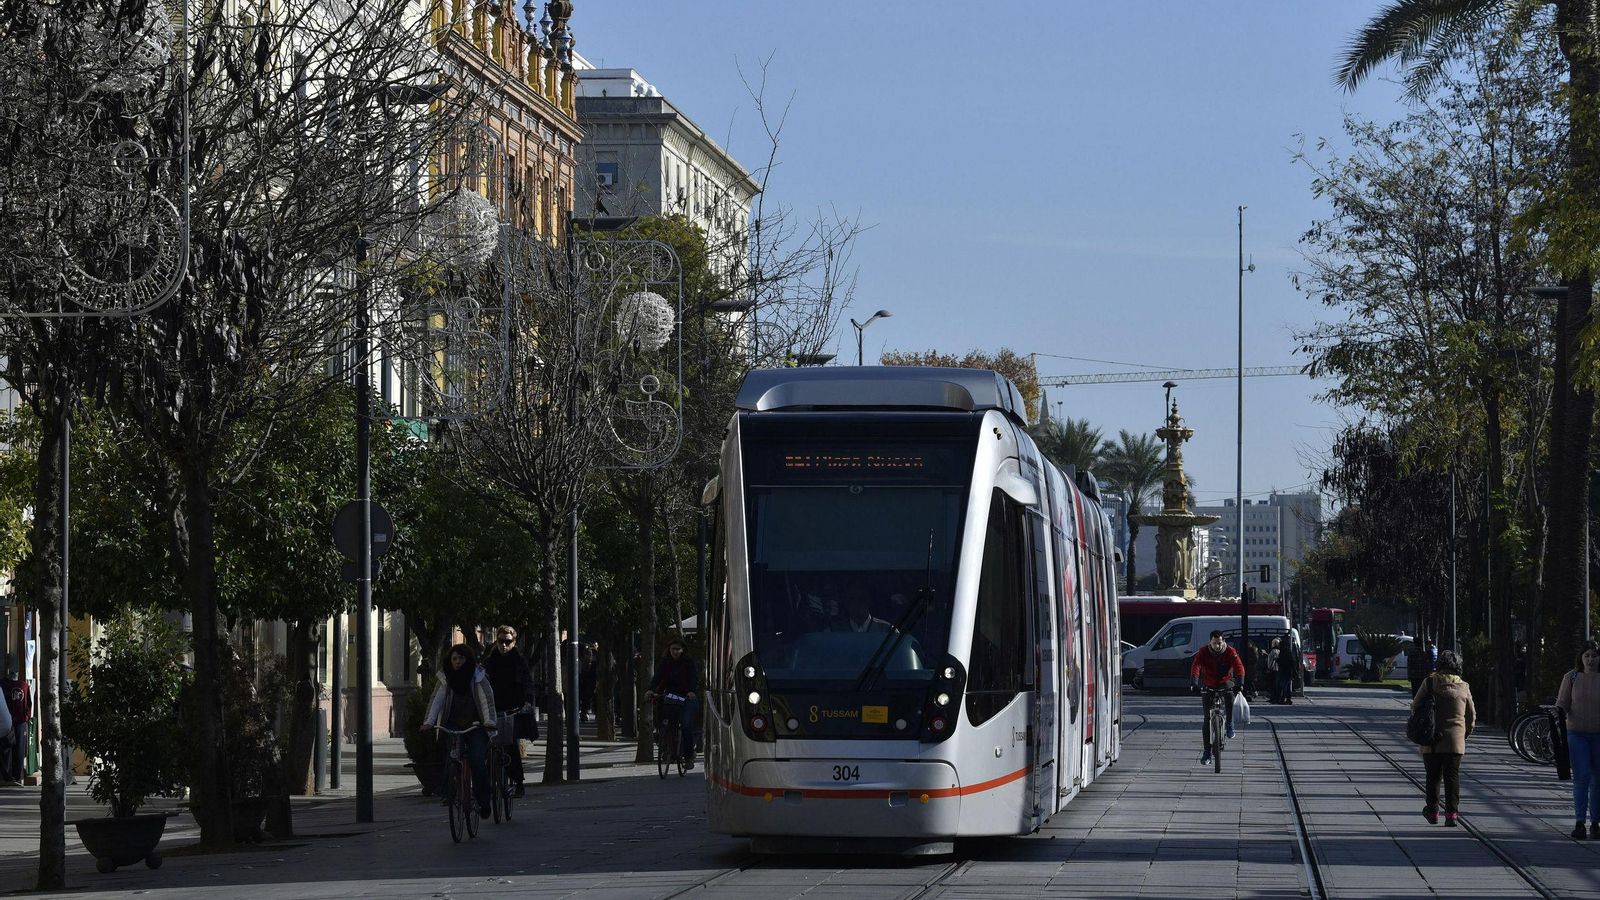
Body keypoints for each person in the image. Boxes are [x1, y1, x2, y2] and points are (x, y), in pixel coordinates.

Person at [421, 644, 497, 817]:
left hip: (477, 725)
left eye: (461, 658)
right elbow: (436, 701)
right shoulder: (445, 679)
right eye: (454, 659)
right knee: (452, 758)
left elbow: (487, 702)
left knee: (477, 760)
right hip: (454, 725)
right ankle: (450, 793)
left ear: (468, 659)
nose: (457, 662)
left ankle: (483, 800)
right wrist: (429, 722)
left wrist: (489, 722)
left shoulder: (478, 678)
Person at [1413, 649, 1475, 826]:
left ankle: (1432, 811)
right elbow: (1471, 715)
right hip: (1455, 741)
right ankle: (1452, 814)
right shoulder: (1464, 686)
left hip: (1431, 739)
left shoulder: (1430, 683)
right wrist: (1464, 734)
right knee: (1452, 777)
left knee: (1433, 776)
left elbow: (1415, 706)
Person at [482, 626, 534, 798]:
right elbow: (481, 681)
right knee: (488, 746)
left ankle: (518, 783)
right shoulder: (489, 661)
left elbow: (527, 683)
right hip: (492, 708)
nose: (503, 645)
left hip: (513, 709)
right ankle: (487, 783)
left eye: (507, 641)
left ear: (514, 642)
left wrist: (526, 702)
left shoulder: (519, 661)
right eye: (500, 641)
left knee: (511, 745)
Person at [1556, 640, 1600, 840]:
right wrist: (1556, 719)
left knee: (1598, 779)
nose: (1590, 660)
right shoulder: (1571, 677)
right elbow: (1563, 703)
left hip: (1599, 734)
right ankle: (1580, 822)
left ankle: (1596, 822)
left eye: (1594, 655)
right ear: (1581, 658)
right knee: (1581, 777)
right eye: (1587, 656)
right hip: (1577, 734)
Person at [1191, 630, 1245, 765]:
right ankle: (1207, 752)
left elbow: (1239, 667)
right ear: (1210, 642)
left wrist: (1240, 683)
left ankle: (1229, 723)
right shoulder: (1203, 652)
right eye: (1214, 643)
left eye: (1219, 643)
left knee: (1229, 695)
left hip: (1224, 681)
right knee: (1206, 719)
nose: (1217, 646)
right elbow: (1196, 666)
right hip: (1208, 683)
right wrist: (1194, 683)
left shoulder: (1230, 651)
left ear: (1223, 642)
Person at [646, 638, 700, 769]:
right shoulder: (666, 663)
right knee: (664, 720)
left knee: (686, 725)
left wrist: (691, 691)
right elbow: (657, 677)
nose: (675, 652)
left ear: (683, 650)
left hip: (687, 697)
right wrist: (650, 690)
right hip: (671, 696)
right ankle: (666, 746)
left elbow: (694, 678)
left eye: (677, 649)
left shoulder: (688, 663)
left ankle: (688, 756)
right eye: (672, 649)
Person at [2, 663, 31, 784]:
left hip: (7, 721)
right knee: (18, 748)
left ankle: (7, 776)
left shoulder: (3, 685)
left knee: (6, 748)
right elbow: (29, 704)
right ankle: (17, 775)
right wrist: (27, 717)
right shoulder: (24, 685)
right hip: (20, 721)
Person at [1278, 631, 1297, 705]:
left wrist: (1278, 661)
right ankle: (1287, 698)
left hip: (1284, 671)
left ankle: (1284, 698)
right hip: (1288, 671)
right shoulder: (1288, 651)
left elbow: (1282, 661)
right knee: (1287, 685)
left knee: (1284, 685)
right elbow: (1292, 661)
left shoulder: (1283, 652)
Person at [1266, 638, 1282, 704]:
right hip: (1277, 669)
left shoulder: (1274, 651)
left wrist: (1270, 668)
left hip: (1274, 670)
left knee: (1274, 685)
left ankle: (1274, 698)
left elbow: (1273, 660)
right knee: (1275, 685)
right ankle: (1274, 697)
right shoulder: (1278, 651)